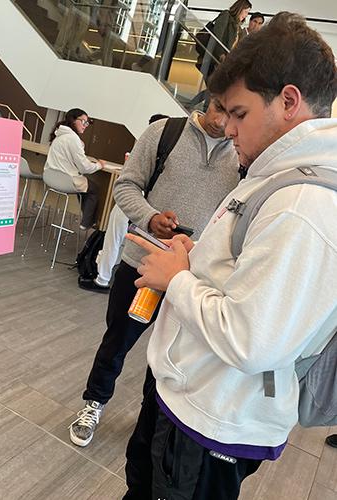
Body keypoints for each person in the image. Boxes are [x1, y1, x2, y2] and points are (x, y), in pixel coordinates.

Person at [124, 12, 337, 499]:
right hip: (193, 397)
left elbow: (253, 338)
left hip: (215, 417)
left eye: (239, 113)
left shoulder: (304, 203)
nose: (228, 128)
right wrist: (197, 259)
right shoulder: (278, 175)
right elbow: (252, 279)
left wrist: (177, 279)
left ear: (288, 101)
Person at [69, 99, 241, 447]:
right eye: (218, 108)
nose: (222, 122)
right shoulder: (164, 133)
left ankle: (151, 423)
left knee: (172, 356)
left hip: (194, 279)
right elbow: (125, 186)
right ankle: (94, 403)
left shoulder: (242, 152)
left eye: (233, 113)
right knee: (118, 341)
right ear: (209, 98)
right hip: (143, 265)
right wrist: (149, 217)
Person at [79, 114, 169, 293]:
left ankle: (102, 279)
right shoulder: (169, 152)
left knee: (114, 237)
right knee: (125, 241)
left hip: (132, 201)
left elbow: (130, 181)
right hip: (150, 207)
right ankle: (111, 274)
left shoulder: (149, 147)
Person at [45, 108, 105, 230]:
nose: (86, 125)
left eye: (87, 123)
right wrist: (99, 165)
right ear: (73, 120)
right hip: (66, 181)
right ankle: (87, 223)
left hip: (50, 177)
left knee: (84, 186)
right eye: (83, 121)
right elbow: (84, 168)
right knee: (93, 188)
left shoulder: (60, 134)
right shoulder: (73, 138)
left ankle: (86, 220)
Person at [192, 0, 252, 108]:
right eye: (245, 11)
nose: (246, 15)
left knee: (215, 90)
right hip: (214, 60)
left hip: (224, 64)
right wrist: (221, 54)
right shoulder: (226, 16)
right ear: (240, 8)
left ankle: (197, 106)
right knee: (215, 90)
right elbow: (217, 36)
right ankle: (196, 106)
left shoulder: (239, 28)